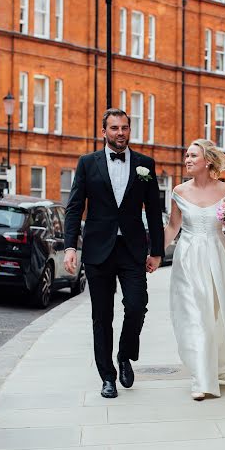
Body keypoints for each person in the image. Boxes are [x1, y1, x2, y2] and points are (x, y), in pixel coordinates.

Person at [63, 108, 164, 398]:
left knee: (136, 305)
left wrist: (157, 251)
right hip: (98, 250)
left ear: (129, 130)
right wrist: (71, 246)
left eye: (124, 128)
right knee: (101, 315)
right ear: (104, 131)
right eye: (114, 128)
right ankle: (107, 376)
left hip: (131, 250)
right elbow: (74, 207)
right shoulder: (87, 163)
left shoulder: (145, 164)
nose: (120, 133)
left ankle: (124, 355)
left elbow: (154, 212)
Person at [164, 139, 225, 401]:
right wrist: (154, 255)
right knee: (196, 316)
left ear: (207, 161)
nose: (187, 160)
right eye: (186, 156)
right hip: (189, 258)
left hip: (218, 256)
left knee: (220, 315)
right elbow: (172, 227)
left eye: (193, 155)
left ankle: (221, 368)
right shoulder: (179, 192)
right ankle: (201, 380)